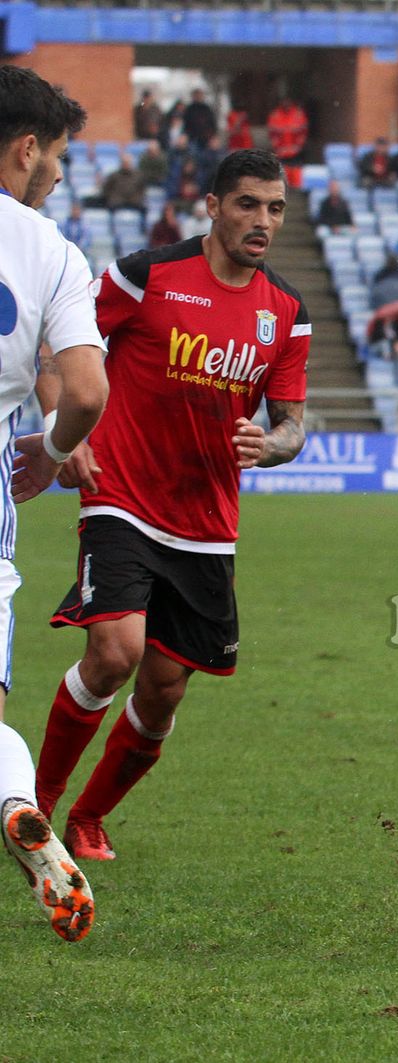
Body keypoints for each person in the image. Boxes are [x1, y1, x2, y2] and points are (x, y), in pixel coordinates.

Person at [32, 149, 310, 867]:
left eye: (275, 208)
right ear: (212, 207)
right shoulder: (146, 275)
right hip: (121, 494)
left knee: (162, 691)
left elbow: (293, 425)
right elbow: (54, 345)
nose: (263, 220)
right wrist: (65, 430)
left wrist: (271, 444)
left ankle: (89, 817)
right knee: (114, 652)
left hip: (206, 523)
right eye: (247, 204)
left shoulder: (286, 312)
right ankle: (35, 808)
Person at [0, 64, 110, 944]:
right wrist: (55, 445)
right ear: (25, 149)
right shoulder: (51, 251)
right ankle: (14, 800)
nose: (61, 174)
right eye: (59, 156)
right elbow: (86, 390)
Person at [266, 97, 308, 188]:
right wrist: (276, 146)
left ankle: (296, 188)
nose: (286, 104)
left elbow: (303, 131)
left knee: (296, 171)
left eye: (288, 101)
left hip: (295, 150)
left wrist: (299, 145)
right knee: (282, 172)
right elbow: (272, 133)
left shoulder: (298, 114)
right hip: (281, 150)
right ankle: (284, 188)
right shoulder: (275, 115)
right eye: (284, 102)